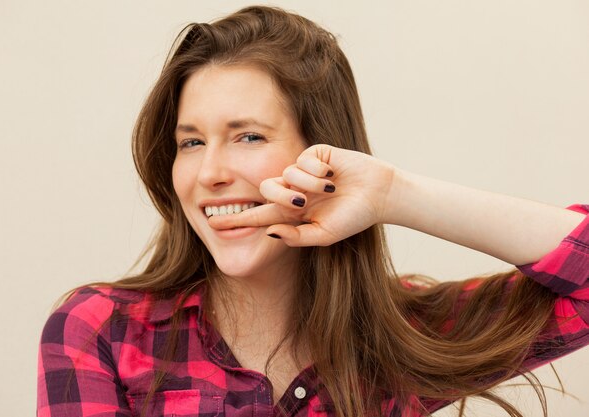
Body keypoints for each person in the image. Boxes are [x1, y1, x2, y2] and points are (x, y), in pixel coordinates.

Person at [37, 5, 589, 417]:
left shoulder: (403, 335)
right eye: (191, 142)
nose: (210, 174)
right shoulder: (101, 331)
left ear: (324, 152)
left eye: (248, 136)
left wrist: (393, 194)